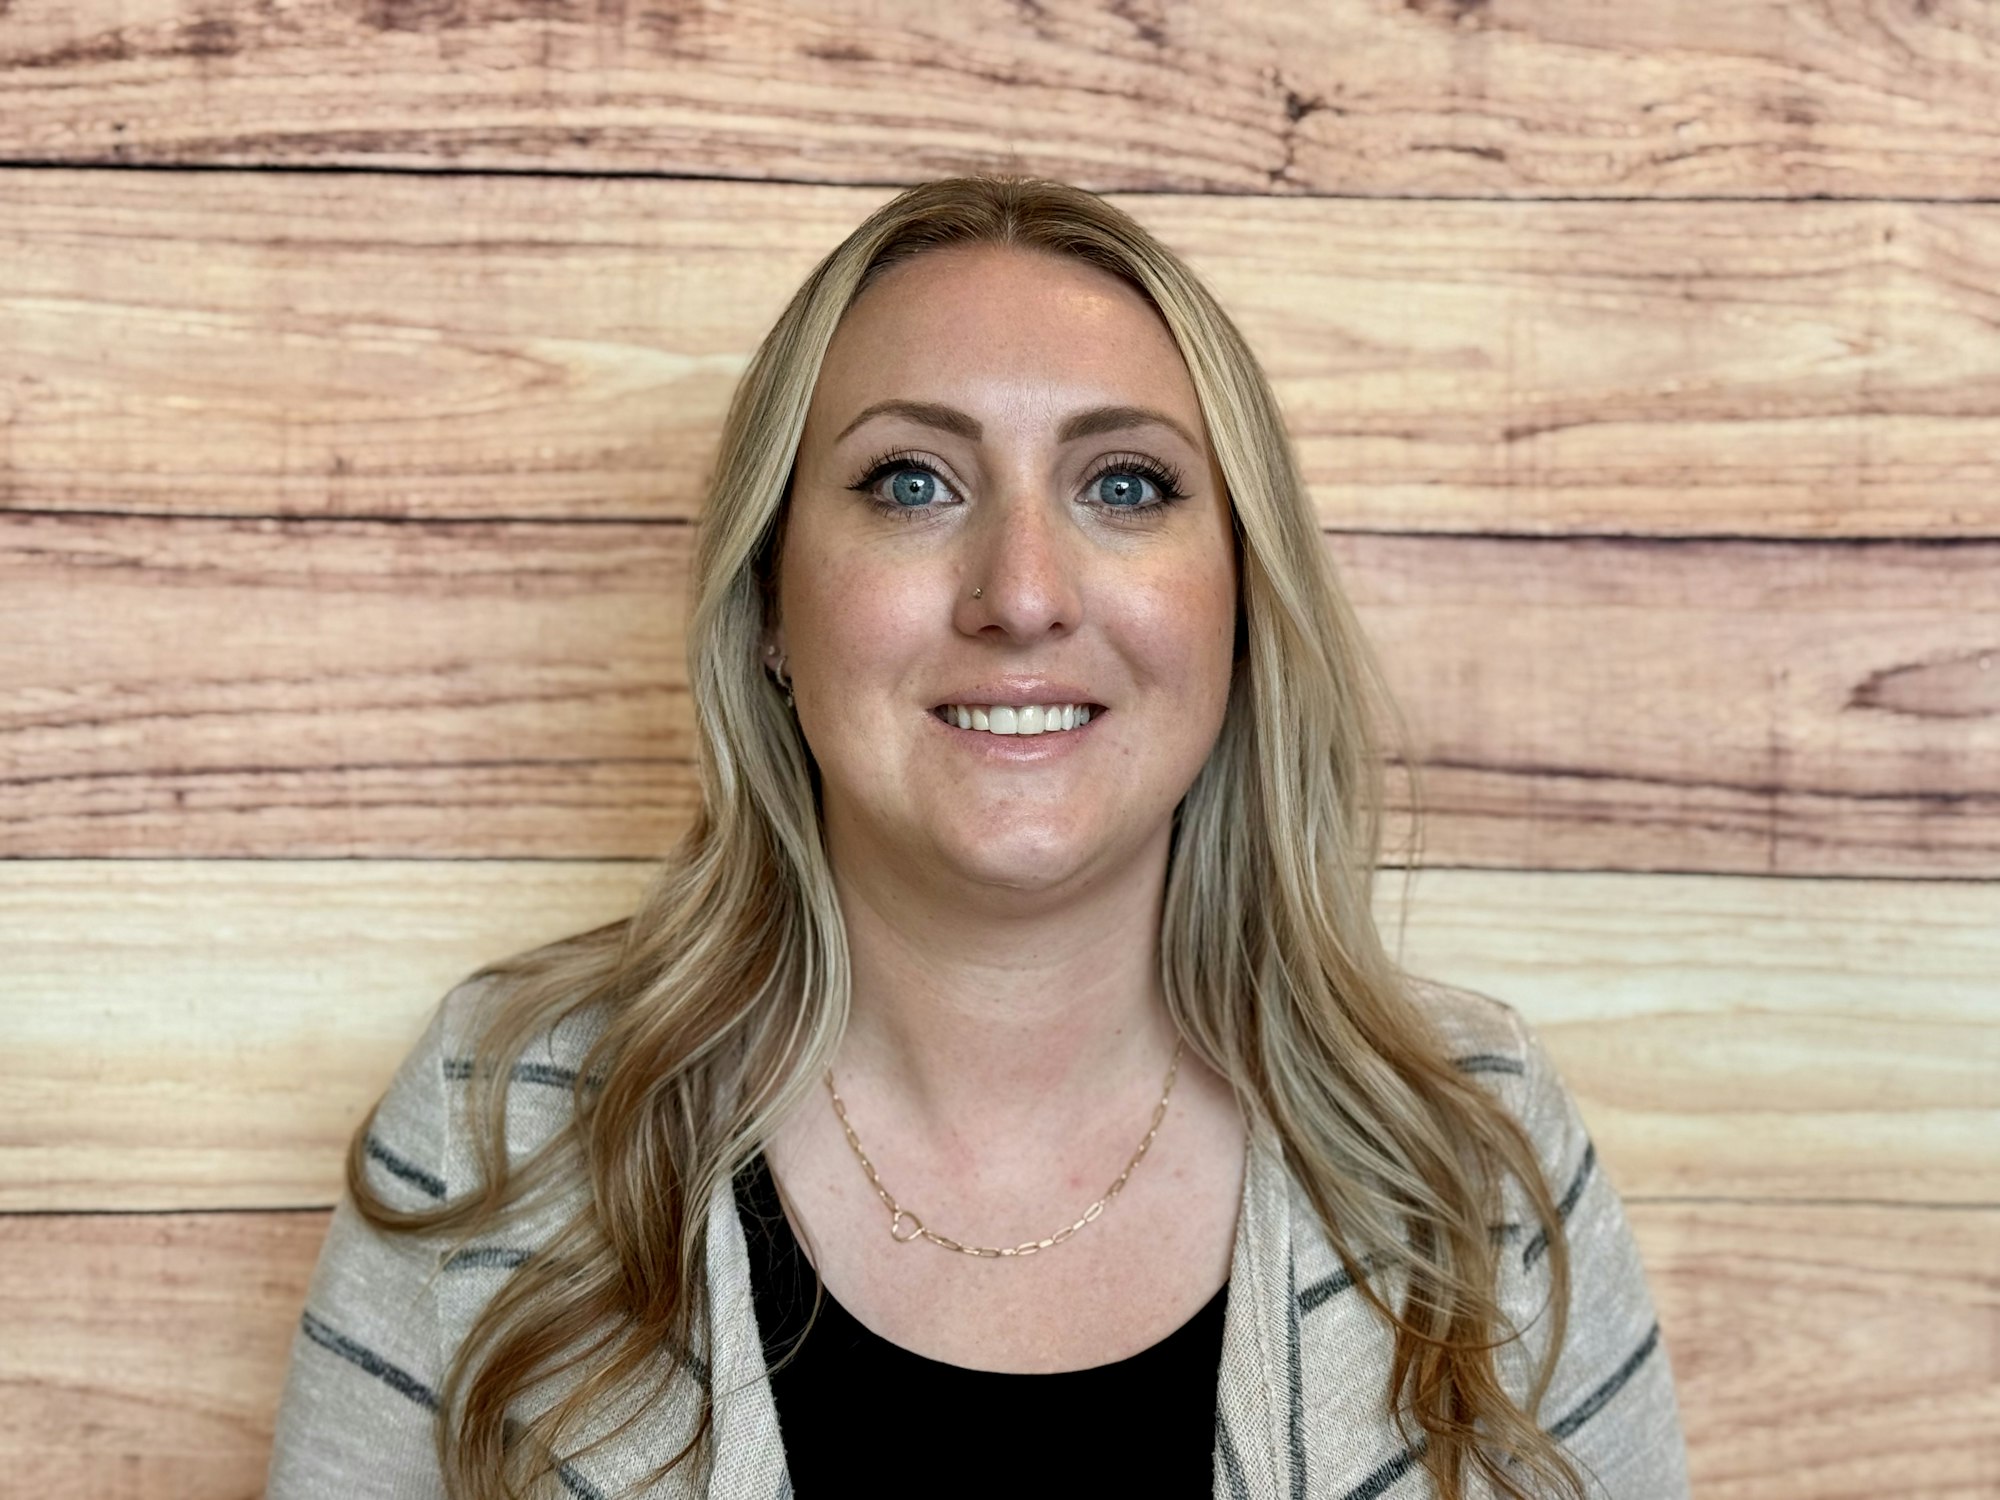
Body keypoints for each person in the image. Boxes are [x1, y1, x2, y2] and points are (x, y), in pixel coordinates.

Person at [265, 175, 1689, 1499]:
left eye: (1125, 484)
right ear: (768, 605)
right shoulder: (501, 1125)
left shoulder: (1468, 1153)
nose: (1020, 595)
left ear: (1240, 603)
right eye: (911, 483)